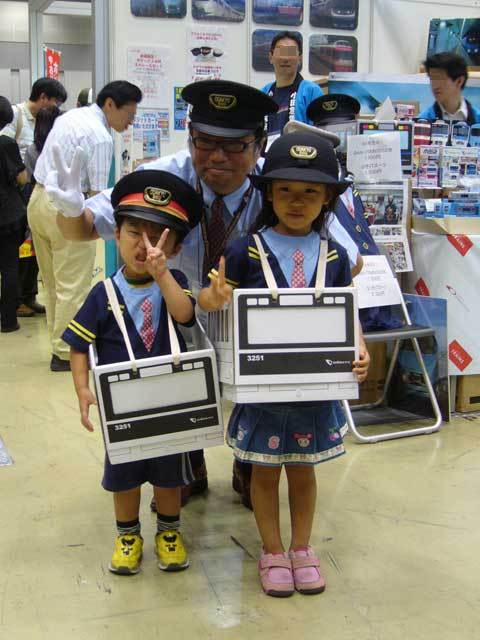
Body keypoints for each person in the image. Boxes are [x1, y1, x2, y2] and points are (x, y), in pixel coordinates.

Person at [43, 79, 361, 504]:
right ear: (189, 135)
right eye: (205, 141)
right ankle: (186, 461)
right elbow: (82, 229)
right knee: (167, 383)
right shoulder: (163, 178)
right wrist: (66, 205)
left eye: (234, 146)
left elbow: (351, 260)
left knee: (261, 400)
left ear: (259, 144)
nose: (217, 157)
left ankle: (250, 462)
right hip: (175, 318)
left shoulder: (281, 182)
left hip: (254, 333)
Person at [198, 132, 370, 597]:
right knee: (264, 469)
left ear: (327, 197)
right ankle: (272, 551)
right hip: (263, 389)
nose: (297, 201)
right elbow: (211, 300)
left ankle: (302, 548)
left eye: (310, 191)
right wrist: (213, 296)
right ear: (269, 194)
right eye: (286, 190)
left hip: (314, 388)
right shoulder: (244, 250)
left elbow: (345, 310)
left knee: (303, 468)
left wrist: (359, 346)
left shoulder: (335, 256)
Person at [62, 169, 203, 575]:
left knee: (169, 475)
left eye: (158, 237)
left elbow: (184, 314)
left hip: (169, 403)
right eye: (134, 232)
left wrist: (163, 276)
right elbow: (78, 345)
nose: (145, 245)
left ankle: (169, 532)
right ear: (116, 235)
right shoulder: (103, 293)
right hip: (122, 407)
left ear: (175, 247)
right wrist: (82, 389)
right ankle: (128, 535)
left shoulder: (174, 281)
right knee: (123, 475)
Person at [28, 80, 142, 372]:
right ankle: (67, 353)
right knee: (73, 285)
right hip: (66, 210)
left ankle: (58, 344)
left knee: (53, 283)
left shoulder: (71, 116)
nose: (131, 122)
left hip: (38, 200)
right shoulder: (100, 137)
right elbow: (98, 196)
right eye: (129, 114)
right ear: (110, 104)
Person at [304, 93, 401, 332]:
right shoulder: (317, 187)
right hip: (342, 302)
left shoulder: (353, 180)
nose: (339, 140)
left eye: (344, 131)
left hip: (376, 298)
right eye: (328, 132)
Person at [0, 77, 67, 318]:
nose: (57, 107)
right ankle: (17, 300)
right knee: (20, 252)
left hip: (34, 187)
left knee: (34, 251)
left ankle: (29, 296)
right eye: (55, 101)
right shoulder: (15, 117)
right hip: (19, 191)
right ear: (43, 98)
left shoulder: (47, 122)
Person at [261, 31, 323, 140]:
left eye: (290, 52)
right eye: (281, 52)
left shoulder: (311, 91)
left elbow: (320, 135)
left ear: (300, 58)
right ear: (271, 57)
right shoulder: (264, 93)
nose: (285, 58)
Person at [0, 96, 28, 333]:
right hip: (6, 214)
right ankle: (8, 321)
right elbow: (21, 178)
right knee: (9, 267)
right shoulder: (6, 144)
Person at [418, 52, 480, 124]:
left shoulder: (478, 119)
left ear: (459, 81)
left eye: (439, 78)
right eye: (432, 78)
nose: (434, 85)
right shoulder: (423, 121)